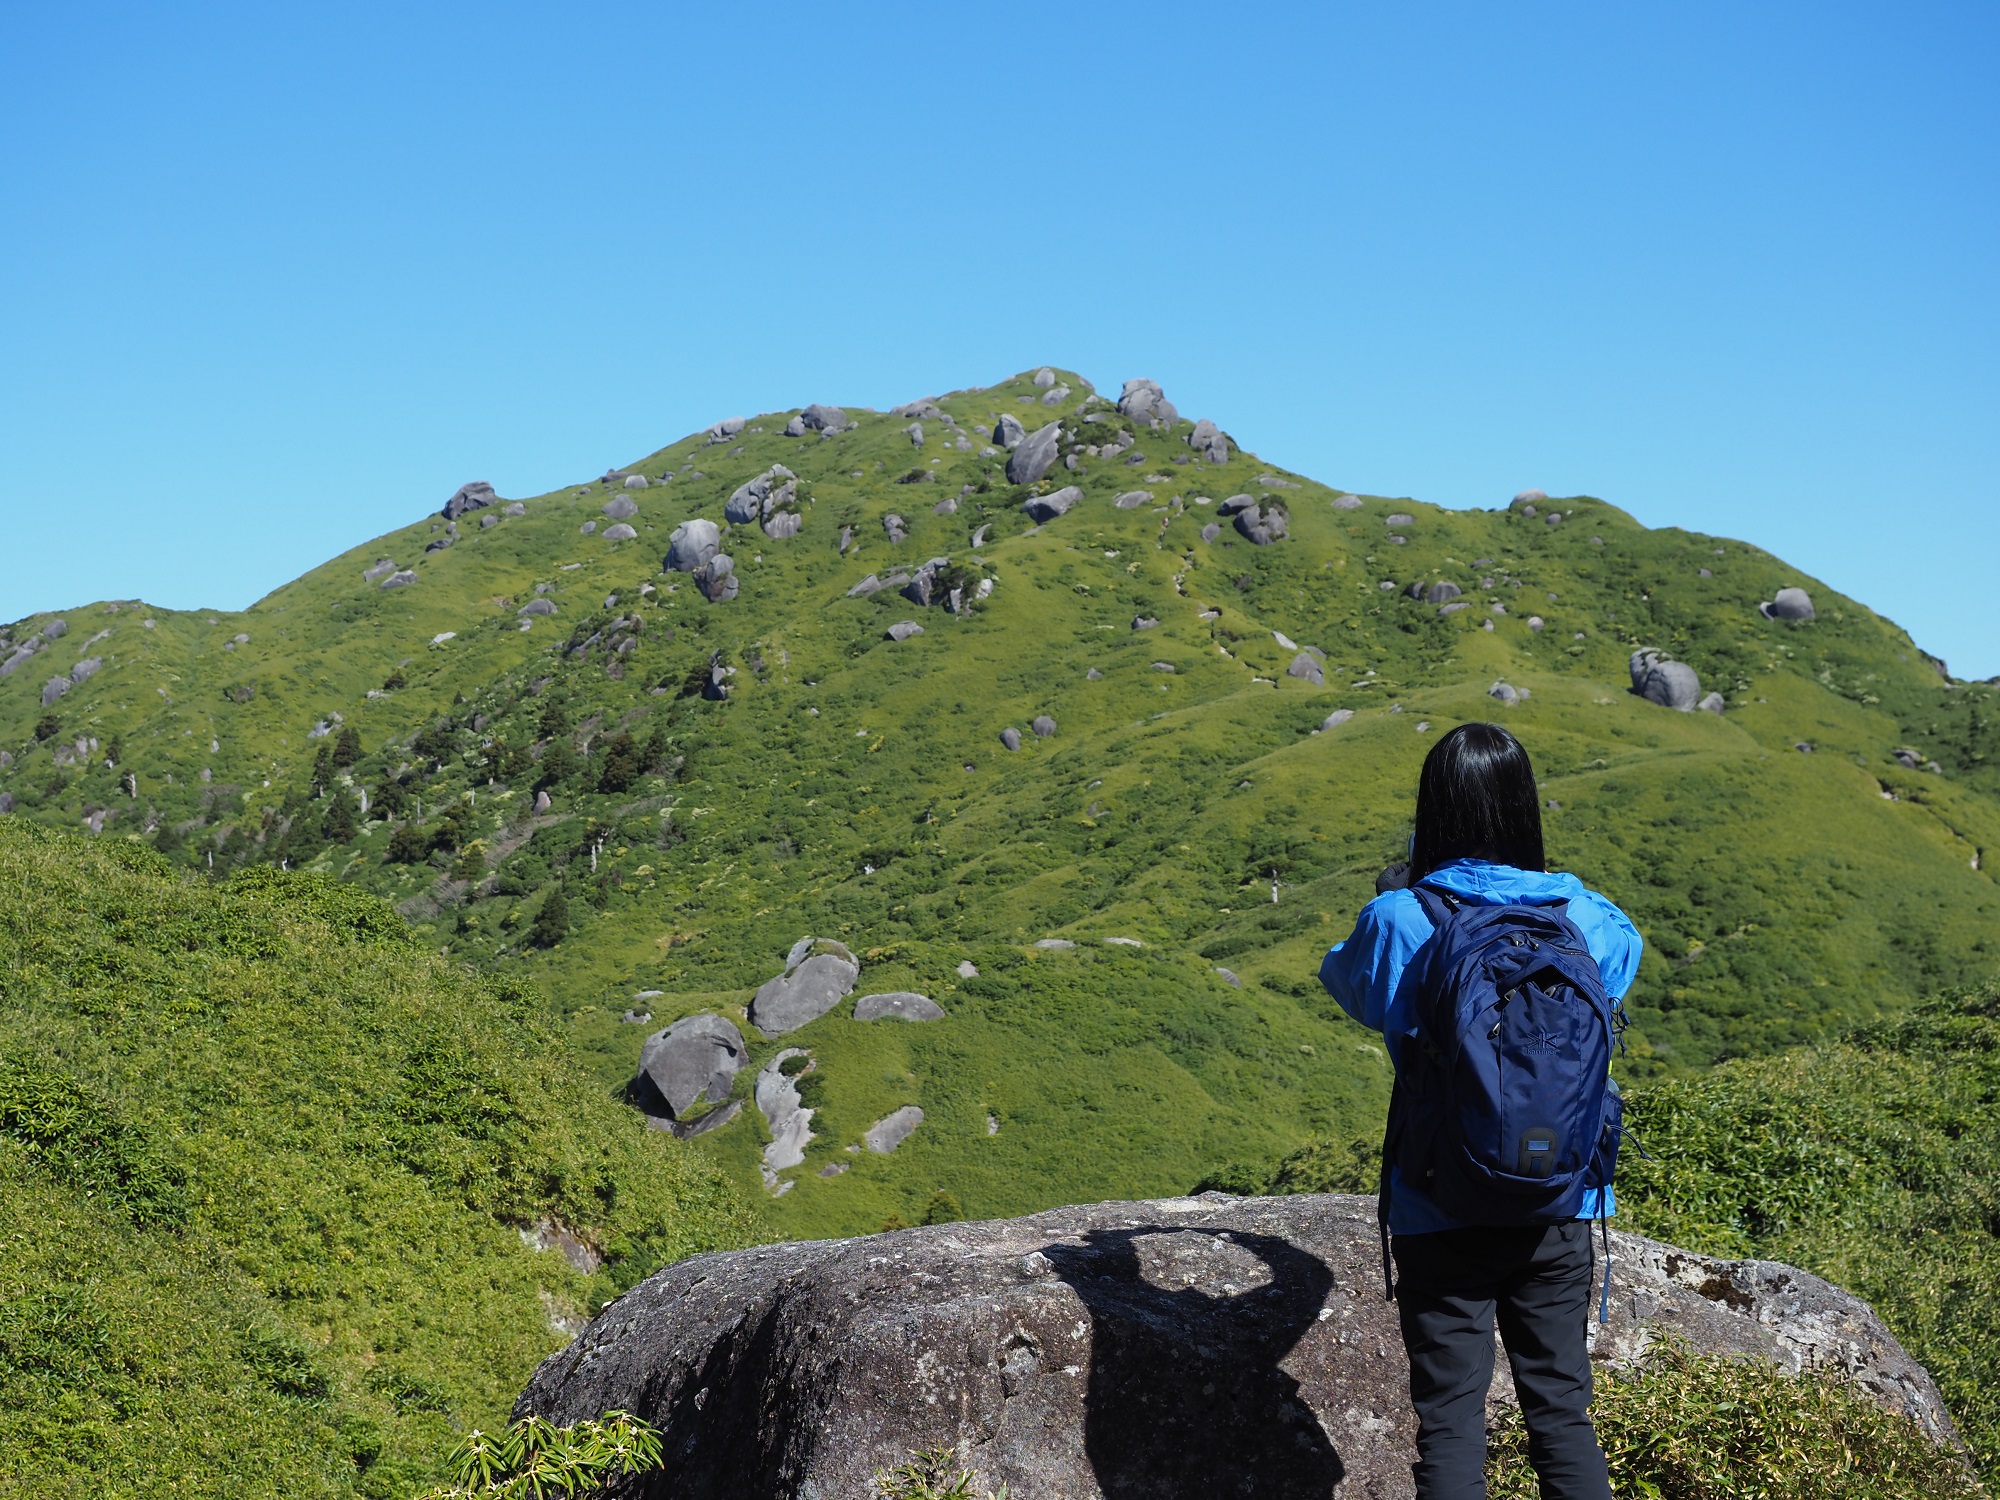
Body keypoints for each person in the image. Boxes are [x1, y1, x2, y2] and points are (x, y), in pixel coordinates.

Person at [1319, 723, 1641, 1500]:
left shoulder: (1401, 917)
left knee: (1452, 1423)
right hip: (1560, 1201)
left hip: (1439, 1198)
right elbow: (1615, 985)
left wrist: (1399, 900)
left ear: (1433, 807)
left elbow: (1348, 986)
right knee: (1563, 1412)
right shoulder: (1589, 914)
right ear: (1525, 806)